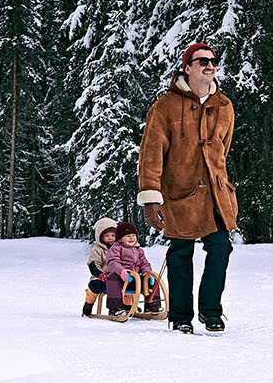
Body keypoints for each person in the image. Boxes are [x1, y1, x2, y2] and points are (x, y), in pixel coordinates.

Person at [138, 42, 236, 334]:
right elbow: (151, 154)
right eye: (202, 60)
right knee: (181, 251)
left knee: (220, 248)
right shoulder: (165, 106)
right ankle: (181, 316)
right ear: (187, 67)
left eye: (213, 61)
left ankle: (211, 311)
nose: (210, 65)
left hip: (216, 195)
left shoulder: (224, 106)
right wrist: (151, 198)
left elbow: (223, 150)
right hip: (180, 192)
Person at [102, 222, 161, 316]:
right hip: (122, 278)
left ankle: (152, 305)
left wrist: (147, 273)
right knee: (112, 279)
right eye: (128, 236)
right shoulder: (116, 248)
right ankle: (116, 309)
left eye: (133, 235)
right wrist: (122, 271)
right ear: (120, 238)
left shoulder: (139, 250)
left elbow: (144, 263)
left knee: (154, 280)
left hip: (135, 279)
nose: (132, 238)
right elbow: (113, 262)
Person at [81, 217, 118, 317]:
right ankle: (88, 306)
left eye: (113, 235)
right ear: (100, 236)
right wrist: (101, 274)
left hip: (117, 277)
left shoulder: (119, 248)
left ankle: (126, 307)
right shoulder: (97, 250)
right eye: (106, 235)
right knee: (95, 285)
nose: (110, 238)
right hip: (101, 276)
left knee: (126, 286)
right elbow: (93, 264)